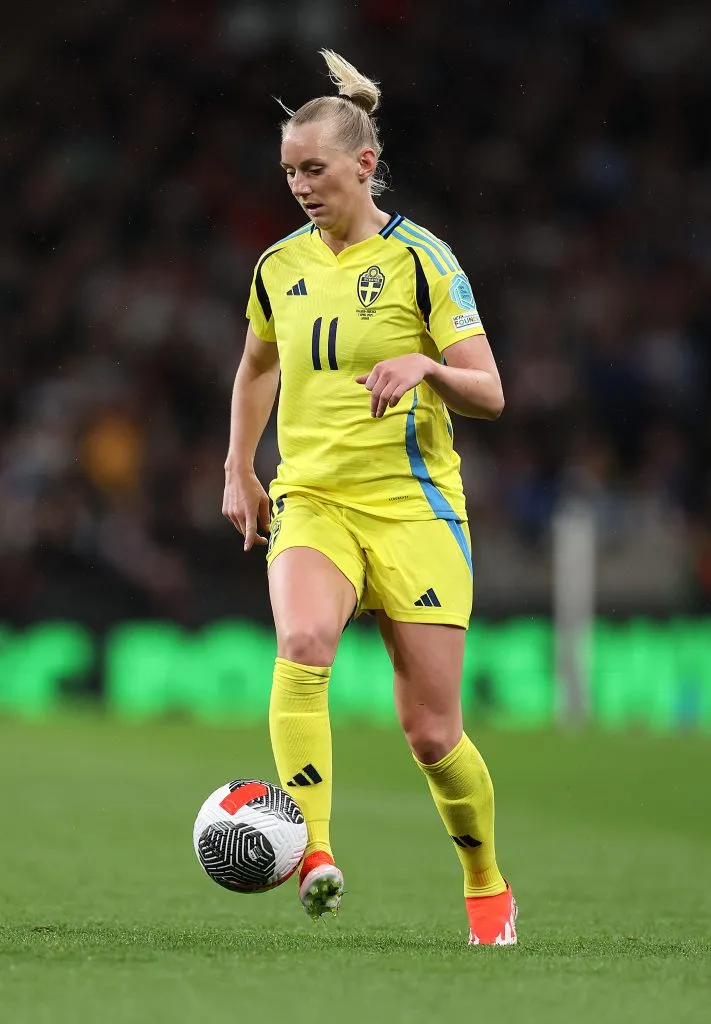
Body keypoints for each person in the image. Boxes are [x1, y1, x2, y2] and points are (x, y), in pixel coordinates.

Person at [222, 49, 517, 946]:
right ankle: (311, 852)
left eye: (313, 170)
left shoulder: (424, 260)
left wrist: (426, 365)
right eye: (288, 173)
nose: (299, 188)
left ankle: (485, 885)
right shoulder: (278, 265)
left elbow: (490, 393)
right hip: (314, 498)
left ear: (363, 163)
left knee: (431, 734)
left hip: (413, 509)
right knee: (303, 641)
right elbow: (257, 365)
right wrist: (238, 466)